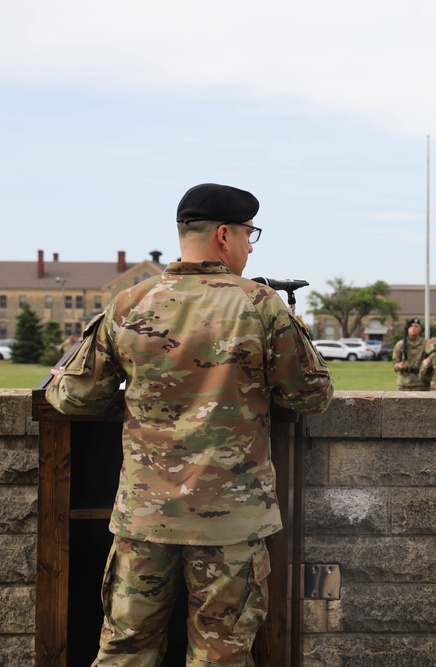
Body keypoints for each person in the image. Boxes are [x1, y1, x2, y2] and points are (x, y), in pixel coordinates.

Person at [45, 183, 334, 665]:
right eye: (249, 234)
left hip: (145, 515)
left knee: (126, 651)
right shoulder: (261, 305)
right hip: (230, 521)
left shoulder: (129, 302)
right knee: (220, 656)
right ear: (224, 235)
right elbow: (310, 395)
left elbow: (75, 397)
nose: (249, 245)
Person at [392, 318, 429, 390]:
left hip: (421, 382)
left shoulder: (426, 344)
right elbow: (395, 362)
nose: (413, 328)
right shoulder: (400, 344)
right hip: (404, 383)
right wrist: (398, 366)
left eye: (416, 326)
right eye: (411, 326)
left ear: (420, 329)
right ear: (408, 329)